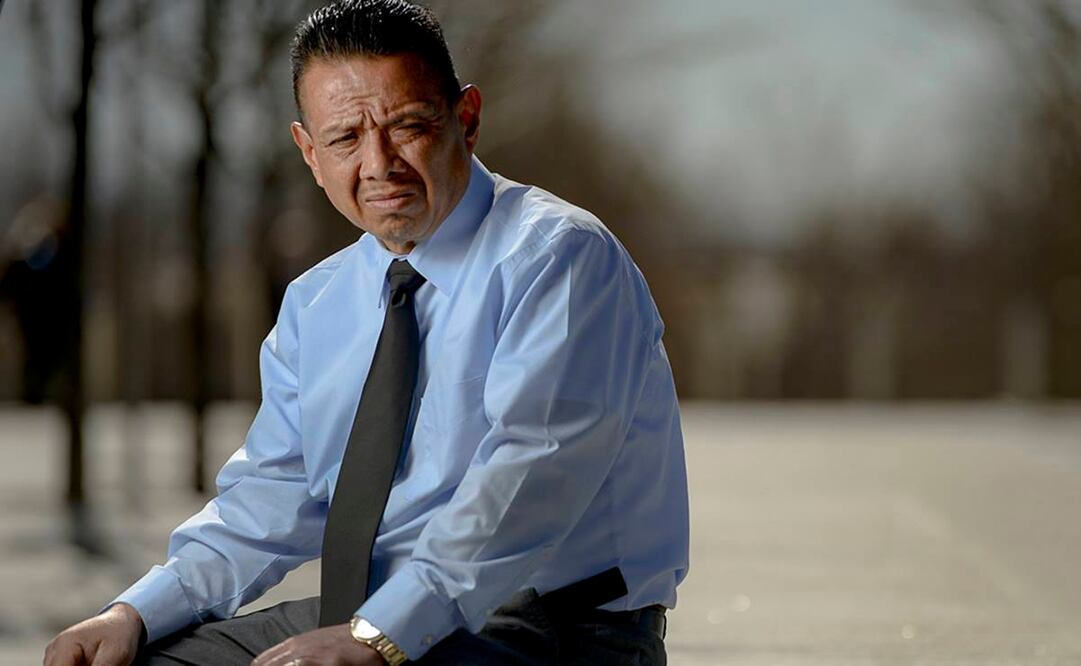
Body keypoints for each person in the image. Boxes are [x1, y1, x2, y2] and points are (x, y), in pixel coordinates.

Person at [44, 1, 689, 664]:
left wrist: (382, 637)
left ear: (464, 120)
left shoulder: (557, 256)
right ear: (309, 152)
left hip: (554, 627)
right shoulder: (317, 304)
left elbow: (530, 477)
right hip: (374, 611)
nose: (378, 163)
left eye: (406, 126)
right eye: (345, 138)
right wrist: (132, 613)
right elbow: (270, 500)